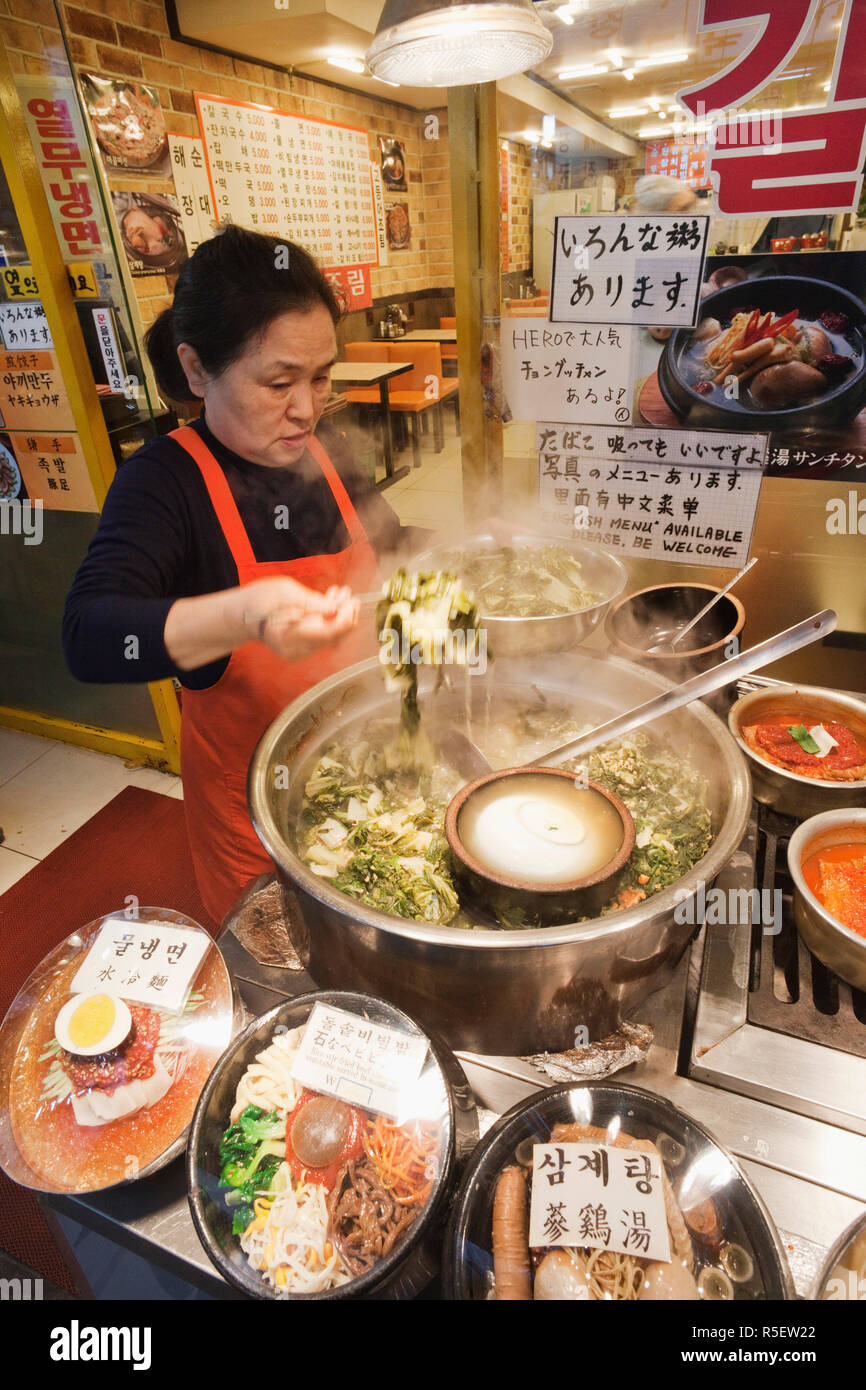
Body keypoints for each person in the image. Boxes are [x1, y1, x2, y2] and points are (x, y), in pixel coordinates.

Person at [64, 226, 414, 924]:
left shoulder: (328, 449)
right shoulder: (163, 482)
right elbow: (90, 635)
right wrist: (245, 615)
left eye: (321, 378)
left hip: (379, 779)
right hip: (258, 814)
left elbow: (395, 554)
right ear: (196, 371)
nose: (307, 408)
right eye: (279, 382)